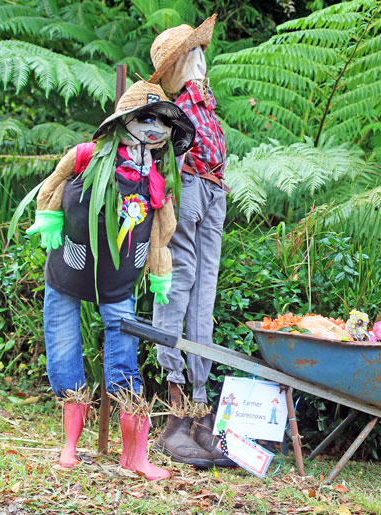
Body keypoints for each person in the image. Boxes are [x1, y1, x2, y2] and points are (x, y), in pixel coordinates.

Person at [18, 81, 195, 480]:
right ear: (124, 122)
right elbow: (53, 186)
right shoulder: (86, 157)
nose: (153, 129)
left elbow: (162, 233)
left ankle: (134, 457)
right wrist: (47, 217)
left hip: (119, 280)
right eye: (145, 119)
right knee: (64, 352)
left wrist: (161, 271)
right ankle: (69, 446)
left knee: (124, 360)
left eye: (162, 124)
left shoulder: (156, 181)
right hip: (69, 269)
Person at [147, 16, 236, 469]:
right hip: (189, 191)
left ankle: (199, 413)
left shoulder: (206, 101)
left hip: (213, 191)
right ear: (180, 63)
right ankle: (174, 411)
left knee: (205, 294)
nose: (200, 59)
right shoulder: (172, 108)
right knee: (178, 283)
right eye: (192, 53)